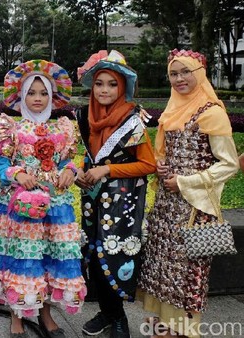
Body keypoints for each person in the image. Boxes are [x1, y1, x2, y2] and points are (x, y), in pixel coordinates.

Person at [0, 59, 86, 338]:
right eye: (31, 93)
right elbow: (0, 165)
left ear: (52, 97)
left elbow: (69, 163)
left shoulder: (62, 128)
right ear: (22, 96)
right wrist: (18, 174)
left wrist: (71, 171)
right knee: (22, 260)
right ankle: (17, 315)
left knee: (52, 259)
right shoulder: (11, 128)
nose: (37, 99)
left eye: (43, 93)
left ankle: (46, 313)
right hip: (21, 205)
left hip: (55, 207)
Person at [137, 49, 239, 338]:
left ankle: (180, 330)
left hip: (194, 210)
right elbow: (171, 151)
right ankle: (166, 329)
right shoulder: (173, 108)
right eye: (173, 73)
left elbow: (228, 165)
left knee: (185, 277)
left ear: (200, 74)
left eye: (186, 72)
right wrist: (162, 166)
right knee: (162, 272)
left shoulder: (212, 112)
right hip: (166, 206)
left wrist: (185, 182)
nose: (179, 79)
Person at [75, 50, 156, 338]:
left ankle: (118, 316)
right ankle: (107, 313)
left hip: (122, 204)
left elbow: (149, 164)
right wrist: (82, 174)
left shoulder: (133, 121)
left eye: (112, 84)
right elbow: (86, 157)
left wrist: (107, 171)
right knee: (93, 256)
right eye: (99, 84)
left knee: (115, 255)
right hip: (92, 199)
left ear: (122, 87)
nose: (105, 90)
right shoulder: (84, 116)